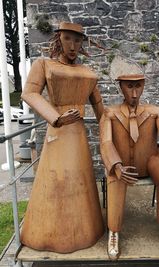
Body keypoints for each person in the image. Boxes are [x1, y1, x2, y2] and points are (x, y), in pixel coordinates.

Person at [20, 22, 104, 253]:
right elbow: (29, 92)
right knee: (55, 179)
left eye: (78, 40)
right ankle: (45, 232)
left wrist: (110, 129)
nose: (73, 45)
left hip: (78, 136)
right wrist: (55, 118)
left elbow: (99, 107)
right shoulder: (43, 64)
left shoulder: (87, 72)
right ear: (59, 39)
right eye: (68, 39)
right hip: (57, 132)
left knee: (80, 179)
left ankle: (86, 230)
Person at [100, 74, 159, 260]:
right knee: (115, 179)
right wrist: (116, 165)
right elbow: (105, 143)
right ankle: (114, 232)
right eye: (130, 87)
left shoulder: (156, 112)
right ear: (120, 87)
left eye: (139, 86)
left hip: (149, 162)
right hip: (121, 163)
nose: (135, 93)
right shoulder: (110, 114)